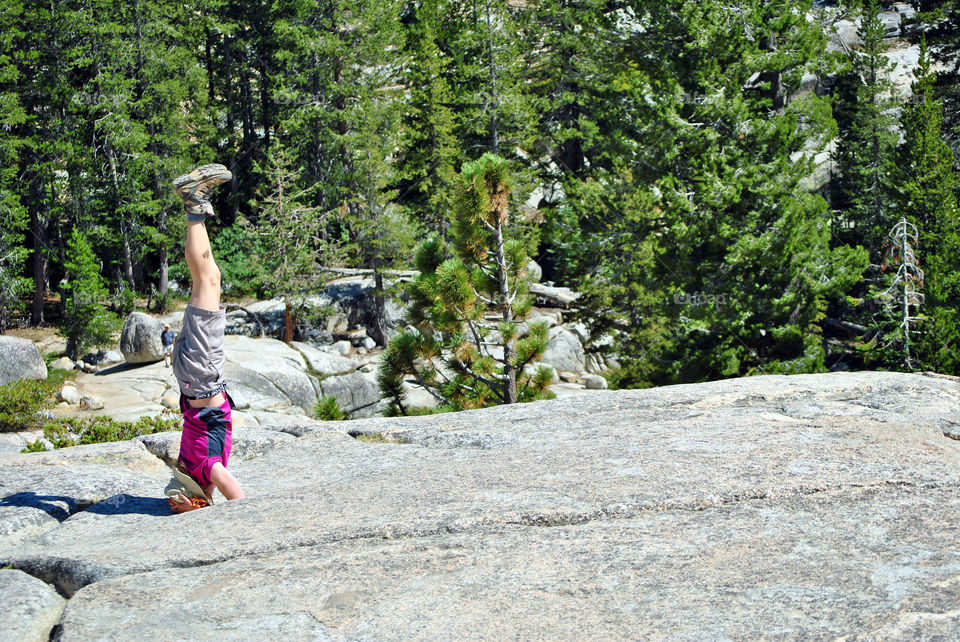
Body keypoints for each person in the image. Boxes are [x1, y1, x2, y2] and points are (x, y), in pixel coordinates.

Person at [164, 163, 245, 513]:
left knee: (207, 281)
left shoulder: (204, 468)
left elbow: (235, 494)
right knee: (211, 276)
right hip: (195, 376)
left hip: (201, 373)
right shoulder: (191, 462)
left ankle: (194, 205)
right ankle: (195, 207)